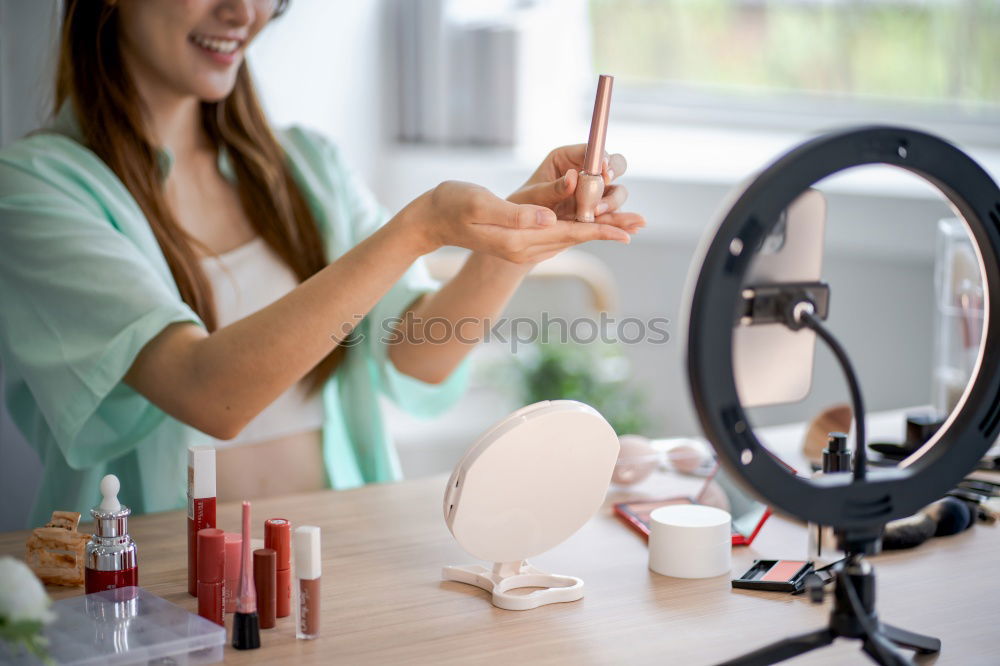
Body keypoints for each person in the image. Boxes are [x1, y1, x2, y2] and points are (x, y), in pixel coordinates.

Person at [0, 0, 644, 526]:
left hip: (340, 555)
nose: (241, 11)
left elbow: (419, 354)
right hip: (160, 585)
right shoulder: (35, 188)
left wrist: (515, 242)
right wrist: (420, 228)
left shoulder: (310, 166)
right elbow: (209, 394)